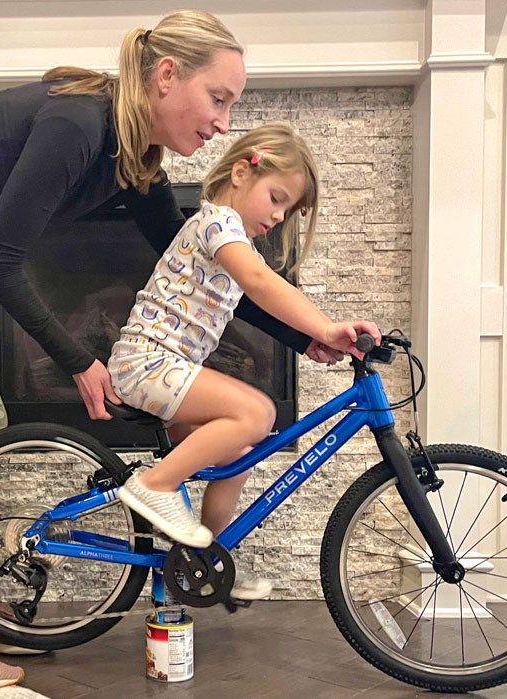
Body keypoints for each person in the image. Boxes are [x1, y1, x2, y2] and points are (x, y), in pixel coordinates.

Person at [0, 10, 341, 694]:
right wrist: (77, 358)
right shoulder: (79, 126)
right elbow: (3, 264)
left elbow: (209, 270)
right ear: (167, 76)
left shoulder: (136, 161)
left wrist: (304, 337)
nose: (223, 124)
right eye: (218, 99)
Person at [110, 123, 381, 599]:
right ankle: (154, 485)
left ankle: (204, 561)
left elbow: (256, 299)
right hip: (147, 363)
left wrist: (309, 340)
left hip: (167, 368)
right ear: (241, 173)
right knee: (257, 413)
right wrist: (324, 327)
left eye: (287, 210)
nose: (278, 215)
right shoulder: (216, 224)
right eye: (276, 198)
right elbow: (258, 283)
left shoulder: (233, 239)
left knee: (238, 454)